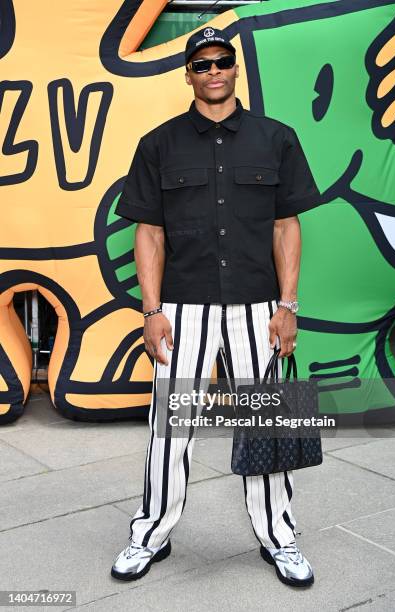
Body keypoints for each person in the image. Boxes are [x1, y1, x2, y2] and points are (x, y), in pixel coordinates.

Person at [110, 27, 322, 587]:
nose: (213, 71)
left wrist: (288, 304)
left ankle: (279, 536)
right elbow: (149, 234)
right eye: (201, 64)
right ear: (188, 73)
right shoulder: (159, 144)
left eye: (222, 61)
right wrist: (151, 311)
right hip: (183, 309)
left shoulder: (276, 138)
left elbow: (286, 226)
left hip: (258, 307)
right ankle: (151, 531)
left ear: (235, 68)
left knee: (266, 426)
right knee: (170, 425)